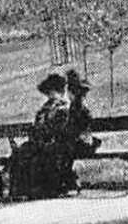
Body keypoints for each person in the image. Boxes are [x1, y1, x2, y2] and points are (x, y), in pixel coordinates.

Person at [8, 72, 69, 200]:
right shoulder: (45, 108)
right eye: (48, 93)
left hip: (55, 143)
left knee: (40, 155)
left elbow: (60, 129)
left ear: (60, 92)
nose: (50, 95)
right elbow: (37, 126)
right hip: (40, 141)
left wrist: (43, 133)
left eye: (52, 92)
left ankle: (41, 189)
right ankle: (22, 190)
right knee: (22, 153)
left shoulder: (63, 108)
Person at [59, 69, 100, 194]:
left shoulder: (77, 108)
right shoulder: (77, 106)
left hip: (82, 144)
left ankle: (69, 182)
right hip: (82, 142)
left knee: (61, 149)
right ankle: (68, 181)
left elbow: (77, 129)